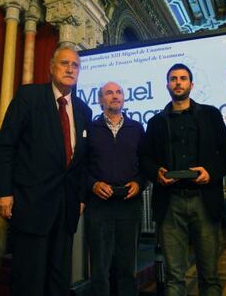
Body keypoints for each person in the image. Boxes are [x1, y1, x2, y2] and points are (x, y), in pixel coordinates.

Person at [0, 43, 92, 296]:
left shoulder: (83, 110)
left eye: (75, 65)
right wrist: (3, 192)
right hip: (32, 204)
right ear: (51, 67)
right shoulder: (29, 96)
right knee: (30, 280)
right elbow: (6, 145)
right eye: (64, 63)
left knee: (59, 280)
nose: (70, 69)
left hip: (66, 207)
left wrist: (80, 197)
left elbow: (82, 162)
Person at [140, 63, 226, 296]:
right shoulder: (155, 122)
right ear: (167, 85)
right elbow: (145, 158)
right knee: (174, 277)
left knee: (210, 276)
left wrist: (210, 172)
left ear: (191, 84)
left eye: (182, 78)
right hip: (169, 203)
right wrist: (156, 173)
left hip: (205, 200)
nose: (178, 82)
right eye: (173, 79)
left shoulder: (210, 114)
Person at [85, 81, 146, 296]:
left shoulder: (137, 128)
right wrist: (93, 184)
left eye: (119, 92)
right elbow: (80, 167)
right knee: (99, 270)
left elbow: (145, 164)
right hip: (99, 207)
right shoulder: (90, 129)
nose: (115, 96)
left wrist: (139, 183)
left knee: (127, 268)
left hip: (129, 207)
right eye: (109, 93)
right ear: (101, 100)